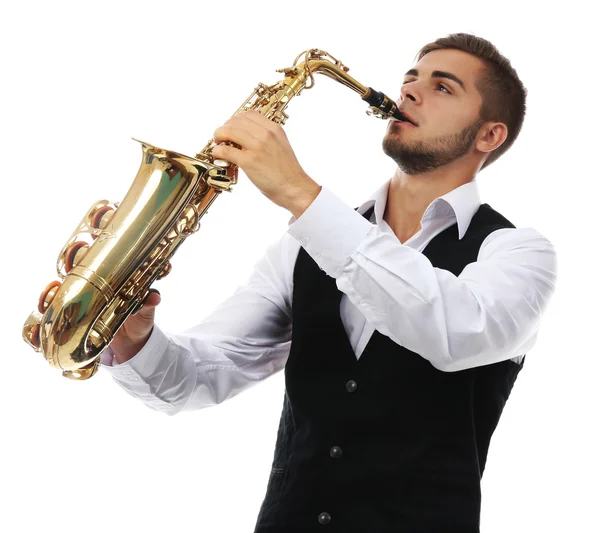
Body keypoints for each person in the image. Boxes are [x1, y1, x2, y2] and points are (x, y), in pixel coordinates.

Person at [101, 33, 557, 533]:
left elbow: (452, 332)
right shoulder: (305, 245)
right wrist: (133, 335)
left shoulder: (518, 253)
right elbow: (196, 379)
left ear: (489, 136)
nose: (409, 92)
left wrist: (301, 194)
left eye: (442, 87)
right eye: (410, 79)